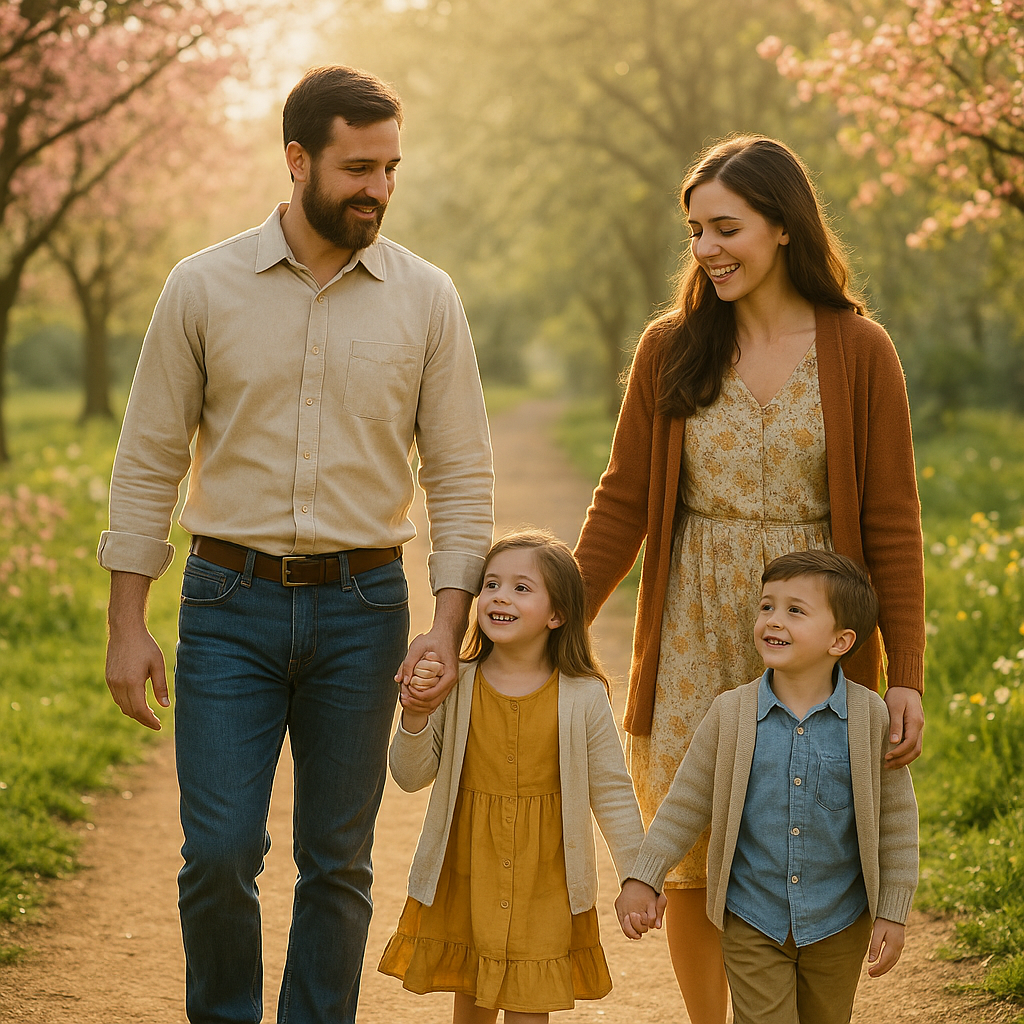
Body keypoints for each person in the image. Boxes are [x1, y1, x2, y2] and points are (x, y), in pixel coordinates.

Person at [98, 65, 493, 1024]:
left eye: (390, 169)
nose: (378, 189)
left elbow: (461, 475)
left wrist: (446, 628)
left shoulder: (427, 298)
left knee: (338, 861)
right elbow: (148, 460)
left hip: (365, 610)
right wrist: (126, 624)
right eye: (358, 168)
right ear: (297, 159)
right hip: (227, 603)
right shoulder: (202, 286)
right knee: (220, 851)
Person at [573, 134, 926, 1024]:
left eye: (726, 228)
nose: (706, 249)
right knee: (692, 847)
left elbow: (892, 523)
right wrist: (557, 623)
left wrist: (907, 675)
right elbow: (623, 503)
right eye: (695, 231)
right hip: (693, 624)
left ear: (783, 225)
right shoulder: (671, 347)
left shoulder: (860, 349)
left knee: (808, 836)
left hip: (816, 632)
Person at [615, 550, 919, 1024]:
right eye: (767, 606)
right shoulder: (730, 714)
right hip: (751, 918)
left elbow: (896, 825)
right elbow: (684, 805)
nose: (773, 620)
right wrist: (643, 877)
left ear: (840, 640)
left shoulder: (869, 719)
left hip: (840, 922)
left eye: (795, 610)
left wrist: (893, 913)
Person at [377, 531, 650, 1022]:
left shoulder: (583, 695)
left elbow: (612, 791)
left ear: (557, 614)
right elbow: (409, 775)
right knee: (471, 998)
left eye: (521, 588)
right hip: (468, 874)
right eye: (491, 584)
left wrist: (637, 877)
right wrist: (415, 714)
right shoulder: (457, 682)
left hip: (546, 881)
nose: (500, 597)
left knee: (529, 1005)